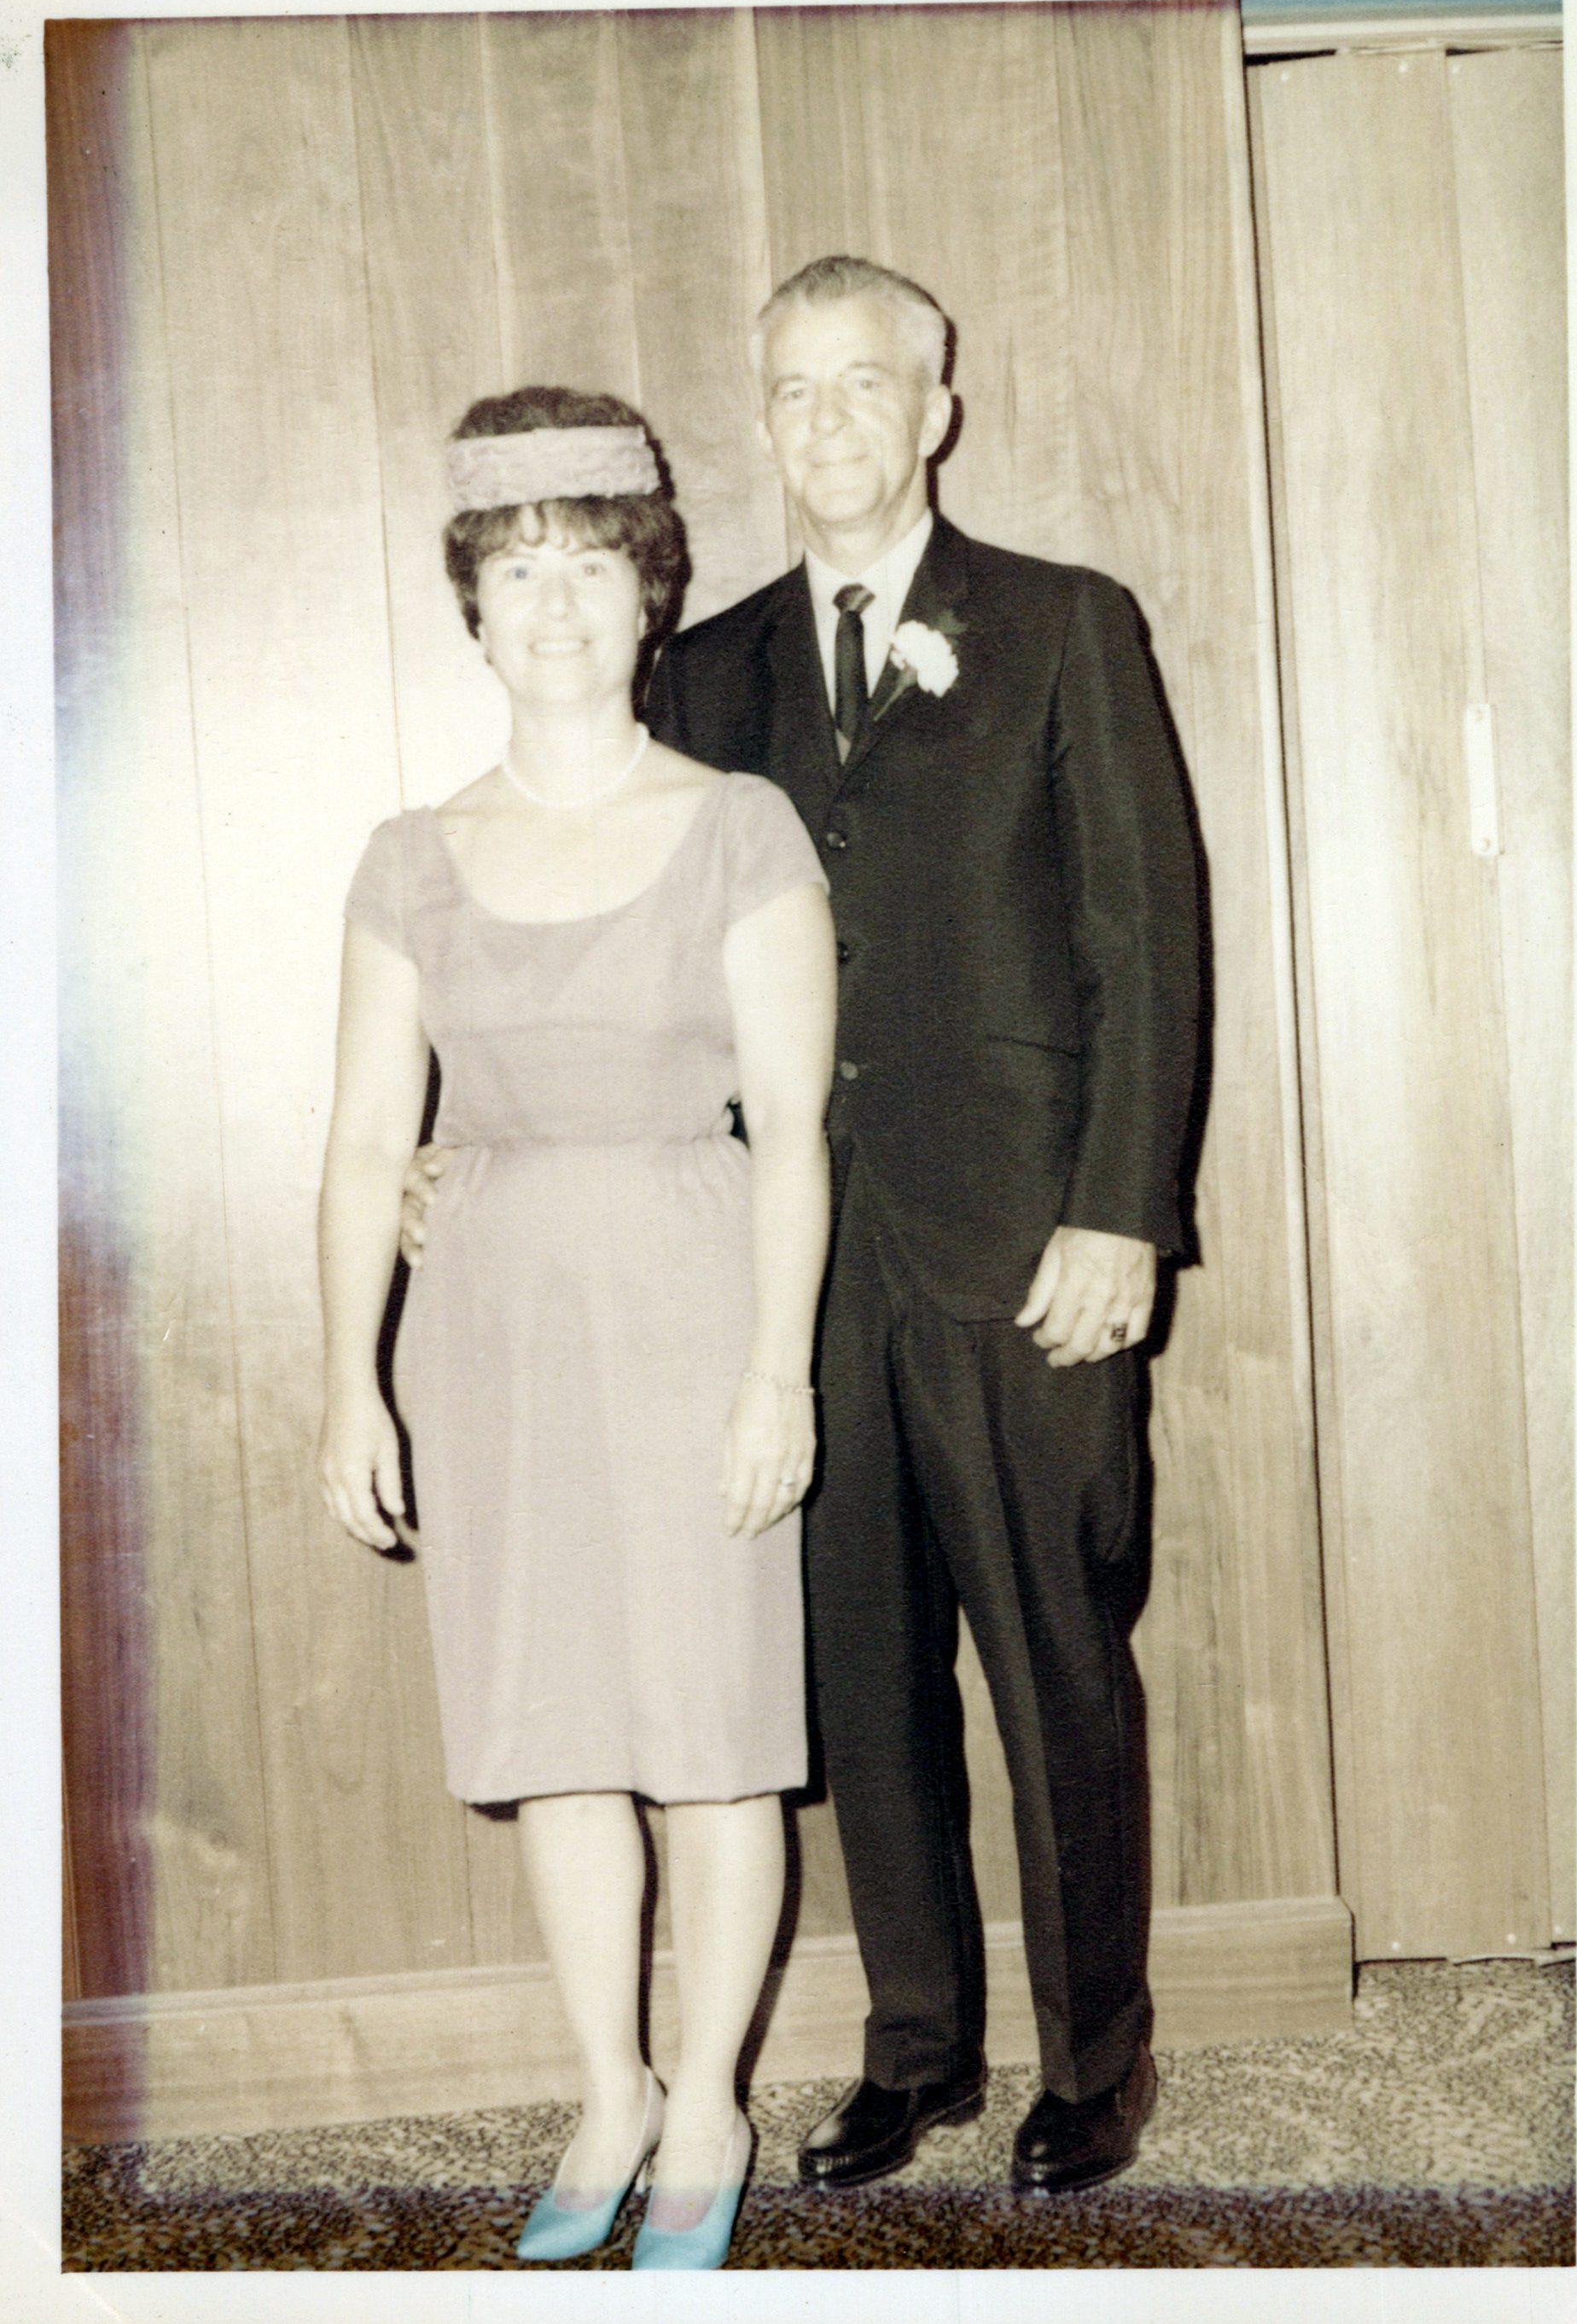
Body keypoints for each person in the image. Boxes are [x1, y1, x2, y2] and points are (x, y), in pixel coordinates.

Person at [408, 257, 1202, 2198]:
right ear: (760, 421)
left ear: (937, 409)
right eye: (793, 390)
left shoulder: (1065, 624)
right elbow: (595, 925)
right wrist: (464, 1147)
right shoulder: (704, 670)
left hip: (1023, 1249)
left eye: (866, 384)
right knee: (855, 1671)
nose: (829, 420)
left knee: (1055, 1659)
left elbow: (1147, 939)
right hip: (773, 1271)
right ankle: (918, 2046)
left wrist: (1119, 1211)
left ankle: (1094, 2060)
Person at [317, 386, 836, 2271]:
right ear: (473, 606)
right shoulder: (409, 854)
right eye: (520, 570)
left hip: (695, 1309)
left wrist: (777, 1373)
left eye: (594, 566)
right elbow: (365, 1140)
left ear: (649, 596)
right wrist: (348, 1380)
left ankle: (708, 2107)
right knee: (556, 1731)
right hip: (494, 1335)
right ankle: (610, 2087)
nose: (556, 604)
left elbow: (794, 1130)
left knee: (711, 1733)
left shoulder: (741, 829)